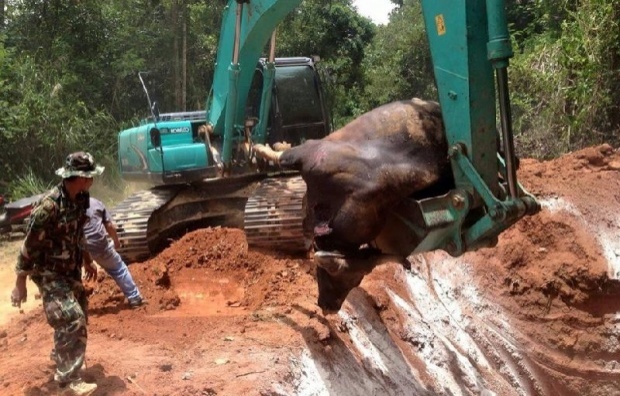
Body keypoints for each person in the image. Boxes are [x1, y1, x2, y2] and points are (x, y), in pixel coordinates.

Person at [10, 152, 102, 396]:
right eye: (90, 176)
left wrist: (87, 260)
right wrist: (20, 283)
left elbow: (77, 232)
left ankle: (63, 355)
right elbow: (29, 246)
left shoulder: (81, 198)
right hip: (49, 273)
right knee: (72, 319)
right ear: (80, 177)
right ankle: (68, 381)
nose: (92, 180)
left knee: (80, 312)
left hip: (70, 270)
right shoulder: (48, 207)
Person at [84, 197, 143, 307]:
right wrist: (116, 241)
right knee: (119, 269)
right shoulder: (96, 203)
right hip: (100, 247)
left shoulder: (71, 207)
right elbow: (109, 226)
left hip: (79, 248)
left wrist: (85, 259)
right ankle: (134, 298)